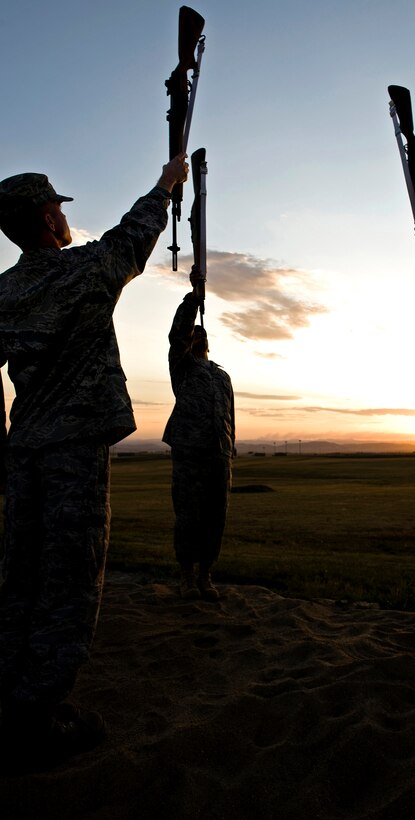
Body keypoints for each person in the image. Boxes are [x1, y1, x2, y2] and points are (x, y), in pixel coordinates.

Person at [0, 153, 189, 766]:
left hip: (23, 450)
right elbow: (135, 236)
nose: (62, 214)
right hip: (71, 451)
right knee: (70, 580)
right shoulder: (82, 269)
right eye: (56, 205)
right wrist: (167, 182)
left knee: (20, 576)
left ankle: (8, 691)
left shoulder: (6, 290)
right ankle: (36, 718)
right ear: (44, 218)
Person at [163, 270, 235, 602]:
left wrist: (229, 447)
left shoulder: (221, 376)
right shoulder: (182, 367)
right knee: (188, 517)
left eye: (201, 335)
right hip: (190, 452)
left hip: (218, 454)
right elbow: (177, 335)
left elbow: (229, 416)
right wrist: (194, 296)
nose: (198, 337)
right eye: (195, 335)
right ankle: (187, 575)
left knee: (215, 517)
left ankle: (206, 574)